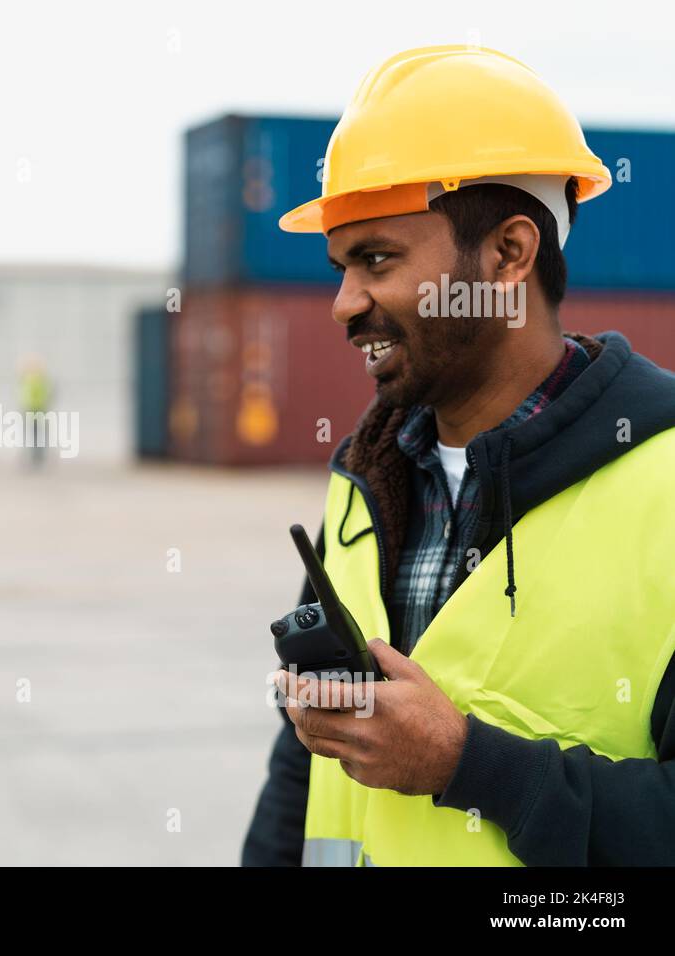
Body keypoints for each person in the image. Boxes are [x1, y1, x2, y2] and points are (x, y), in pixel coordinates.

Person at [242, 46, 675, 866]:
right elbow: (301, 769)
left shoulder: (666, 481)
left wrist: (471, 767)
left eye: (377, 259)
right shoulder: (366, 478)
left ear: (508, 256)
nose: (344, 304)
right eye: (340, 267)